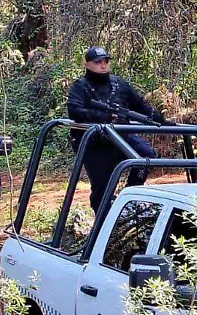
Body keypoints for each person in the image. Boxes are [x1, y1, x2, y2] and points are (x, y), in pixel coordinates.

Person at [66, 46, 166, 212]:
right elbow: (74, 111)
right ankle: (103, 222)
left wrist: (162, 121)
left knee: (146, 157)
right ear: (88, 64)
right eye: (98, 62)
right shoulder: (80, 86)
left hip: (121, 136)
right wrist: (102, 117)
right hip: (95, 142)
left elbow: (140, 105)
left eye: (105, 61)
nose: (103, 65)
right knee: (102, 185)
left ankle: (128, 197)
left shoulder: (118, 83)